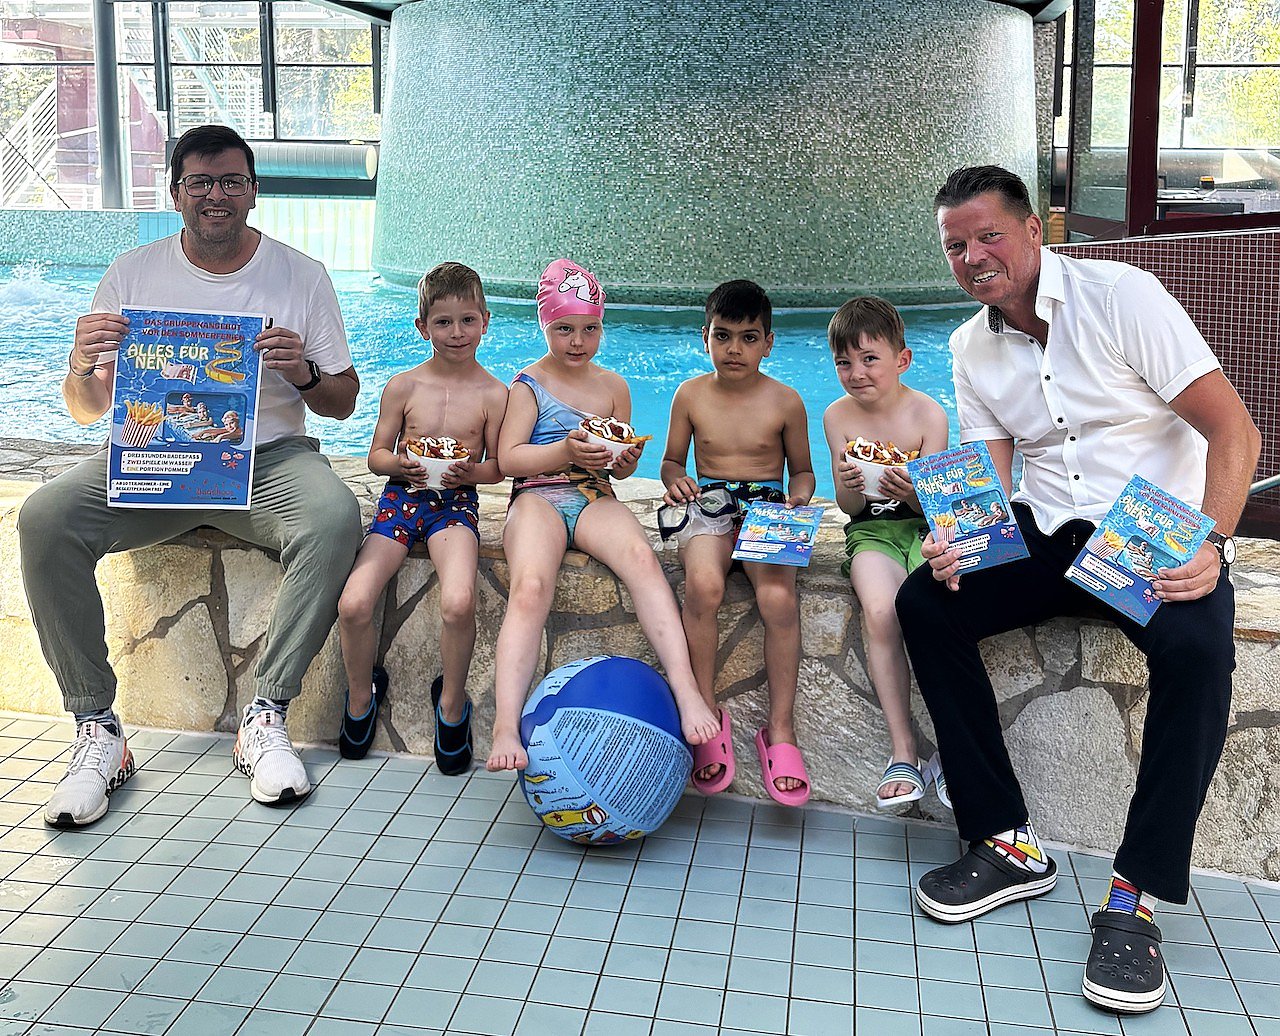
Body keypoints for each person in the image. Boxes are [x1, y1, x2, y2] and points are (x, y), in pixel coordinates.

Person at [896, 165, 1260, 1014]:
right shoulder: (969, 346)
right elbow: (990, 484)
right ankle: (1004, 839)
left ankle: (1136, 894)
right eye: (956, 245)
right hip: (1049, 529)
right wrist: (954, 541)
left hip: (1144, 532)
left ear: (1035, 231)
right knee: (925, 601)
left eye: (989, 236)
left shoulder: (1122, 296)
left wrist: (1210, 543)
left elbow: (1232, 430)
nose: (974, 257)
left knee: (1198, 650)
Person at [19, 124, 363, 825]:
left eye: (232, 181)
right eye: (200, 182)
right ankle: (97, 728)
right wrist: (81, 363)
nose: (216, 195)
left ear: (253, 192)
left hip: (267, 462)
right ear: (176, 193)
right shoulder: (133, 272)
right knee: (45, 519)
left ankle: (265, 714)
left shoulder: (302, 276)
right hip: (153, 458)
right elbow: (87, 409)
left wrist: (302, 372)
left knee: (333, 519)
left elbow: (344, 400)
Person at [485, 259, 721, 771]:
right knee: (531, 587)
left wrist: (626, 458)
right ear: (545, 325)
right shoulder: (528, 385)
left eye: (589, 329)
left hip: (593, 494)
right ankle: (505, 724)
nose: (577, 341)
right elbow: (509, 459)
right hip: (537, 497)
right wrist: (564, 451)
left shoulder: (614, 386)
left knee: (641, 558)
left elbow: (617, 463)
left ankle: (686, 691)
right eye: (564, 329)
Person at [336, 262, 507, 773]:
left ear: (485, 321)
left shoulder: (493, 395)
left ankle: (451, 704)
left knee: (458, 602)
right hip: (401, 499)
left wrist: (469, 472)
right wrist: (401, 464)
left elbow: (497, 467)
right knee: (353, 603)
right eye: (443, 322)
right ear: (422, 327)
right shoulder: (404, 387)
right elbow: (376, 456)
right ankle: (361, 695)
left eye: (468, 320)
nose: (457, 333)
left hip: (454, 505)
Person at [660, 279, 816, 806]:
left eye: (749, 338)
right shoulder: (690, 395)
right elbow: (671, 461)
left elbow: (803, 471)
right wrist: (676, 480)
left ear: (768, 343)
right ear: (704, 337)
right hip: (710, 503)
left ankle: (781, 728)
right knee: (703, 586)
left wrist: (798, 499)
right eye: (722, 336)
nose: (734, 349)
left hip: (767, 508)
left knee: (777, 599)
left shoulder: (786, 401)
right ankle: (705, 709)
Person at [821, 296, 949, 811]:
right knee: (880, 611)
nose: (856, 373)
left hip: (922, 528)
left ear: (902, 360)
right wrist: (852, 484)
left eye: (870, 359)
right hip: (871, 532)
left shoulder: (928, 414)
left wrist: (912, 492)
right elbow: (849, 508)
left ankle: (953, 749)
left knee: (939, 612)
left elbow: (939, 505)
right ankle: (904, 751)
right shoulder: (837, 416)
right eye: (844, 362)